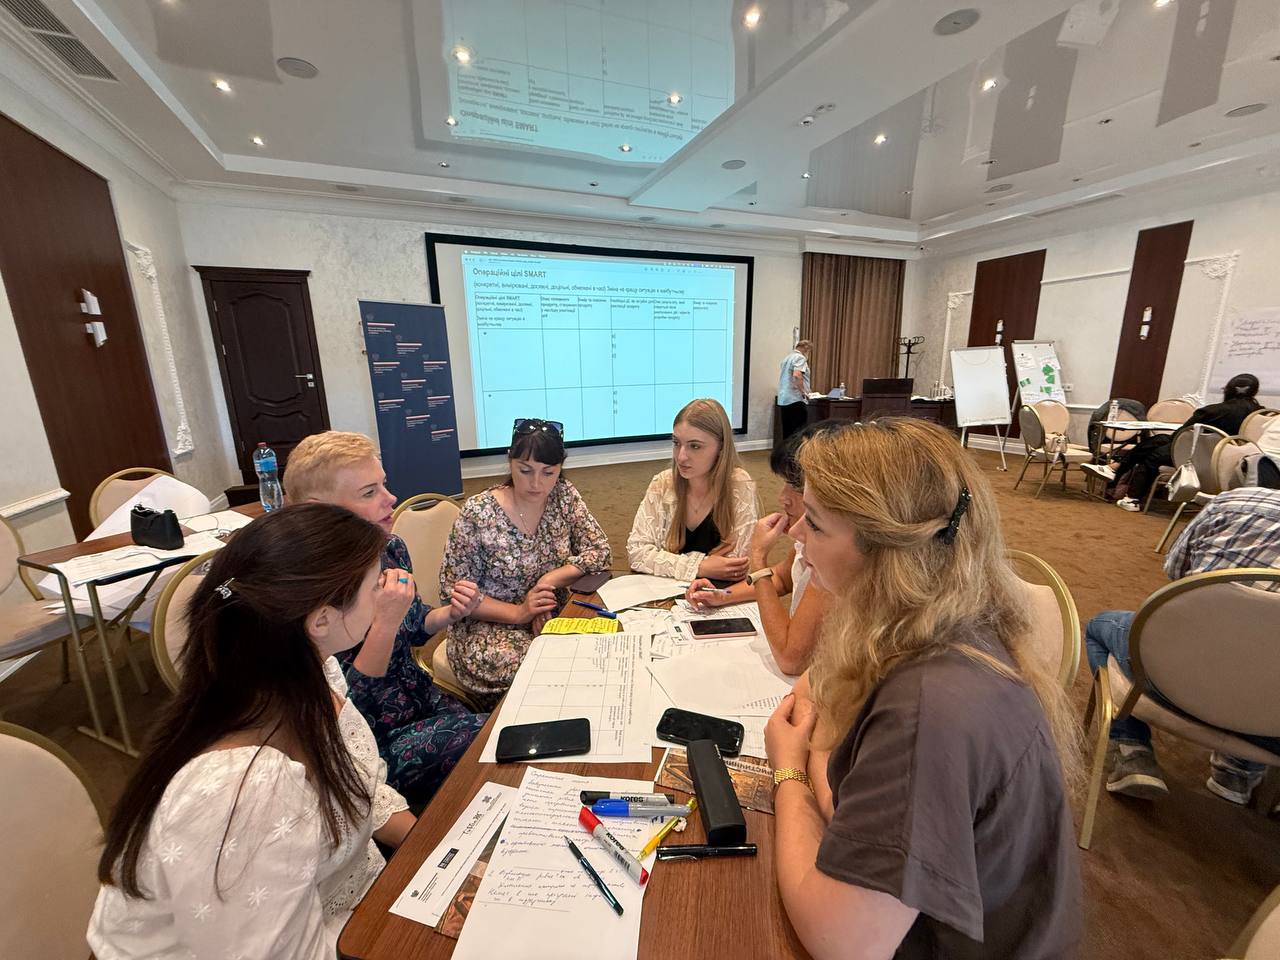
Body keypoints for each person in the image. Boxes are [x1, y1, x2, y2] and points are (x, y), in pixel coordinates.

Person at [763, 418, 1082, 959]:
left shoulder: (927, 708)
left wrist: (789, 769)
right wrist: (820, 759)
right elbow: (855, 800)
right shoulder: (941, 627)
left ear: (884, 549)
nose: (795, 534)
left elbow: (843, 942)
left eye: (813, 523)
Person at [90, 504, 417, 958]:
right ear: (321, 619)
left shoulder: (308, 674)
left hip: (351, 912)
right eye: (374, 584)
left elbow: (357, 784)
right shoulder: (245, 793)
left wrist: (432, 850)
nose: (384, 591)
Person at [284, 431, 486, 805]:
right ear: (319, 509)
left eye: (384, 484)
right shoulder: (305, 587)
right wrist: (386, 622)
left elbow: (415, 625)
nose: (391, 498)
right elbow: (347, 706)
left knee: (503, 734)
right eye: (369, 492)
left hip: (420, 698)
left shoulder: (389, 547)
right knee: (497, 740)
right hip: (371, 740)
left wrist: (452, 613)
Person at [1085, 486, 1280, 804]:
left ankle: (1131, 749)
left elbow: (1177, 579)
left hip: (1174, 683)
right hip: (1270, 728)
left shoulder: (1234, 502)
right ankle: (1236, 772)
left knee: (1099, 627)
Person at [440, 418, 611, 710]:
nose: (536, 483)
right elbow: (453, 593)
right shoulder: (479, 512)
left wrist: (547, 582)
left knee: (596, 651)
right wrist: (521, 612)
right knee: (548, 669)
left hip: (549, 612)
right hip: (489, 627)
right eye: (525, 470)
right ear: (510, 461)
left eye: (548, 472)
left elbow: (600, 550)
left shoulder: (563, 495)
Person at [684, 421, 835, 675]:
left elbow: (790, 659)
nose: (783, 498)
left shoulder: (831, 557)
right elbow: (783, 578)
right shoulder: (810, 540)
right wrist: (724, 595)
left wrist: (758, 556)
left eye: (796, 487)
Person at [627, 398, 759, 583]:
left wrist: (668, 561)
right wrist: (701, 566)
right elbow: (637, 553)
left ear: (721, 448)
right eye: (676, 443)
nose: (681, 457)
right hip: (664, 592)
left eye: (695, 446)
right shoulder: (663, 483)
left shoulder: (739, 485)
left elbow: (738, 566)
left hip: (718, 593)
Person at [1098, 374, 1262, 510]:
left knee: (1152, 455)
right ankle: (1115, 467)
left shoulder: (1211, 411)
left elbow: (1181, 435)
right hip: (1234, 460)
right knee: (1159, 440)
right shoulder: (1259, 415)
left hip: (1197, 457)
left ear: (1227, 390)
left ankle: (1131, 496)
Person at [777, 339, 814, 441]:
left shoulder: (787, 358)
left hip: (784, 399)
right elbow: (797, 375)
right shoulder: (800, 358)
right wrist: (803, 392)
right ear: (806, 349)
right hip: (795, 399)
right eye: (809, 351)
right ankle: (797, 450)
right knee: (798, 431)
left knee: (788, 431)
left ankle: (787, 450)